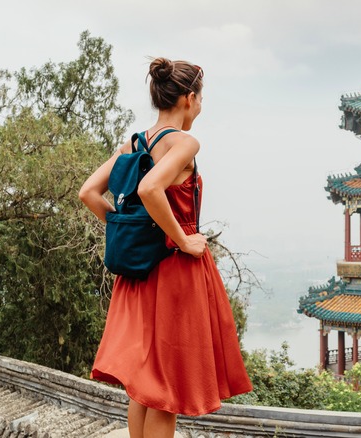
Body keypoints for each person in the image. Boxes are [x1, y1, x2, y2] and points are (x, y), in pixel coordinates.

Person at [79, 58, 252, 438]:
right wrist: (182, 238)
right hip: (173, 270)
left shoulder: (134, 142)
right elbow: (149, 188)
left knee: (144, 383)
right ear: (189, 98)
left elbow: (88, 192)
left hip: (138, 269)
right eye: (201, 98)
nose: (201, 107)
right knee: (166, 388)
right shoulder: (185, 142)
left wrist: (124, 228)